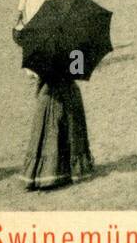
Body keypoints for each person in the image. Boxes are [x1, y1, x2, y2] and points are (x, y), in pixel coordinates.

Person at [20, 61, 95, 192]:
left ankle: (48, 172)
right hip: (70, 93)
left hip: (50, 95)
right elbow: (79, 70)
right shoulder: (74, 46)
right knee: (69, 130)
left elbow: (33, 74)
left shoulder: (41, 50)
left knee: (50, 131)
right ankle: (71, 170)